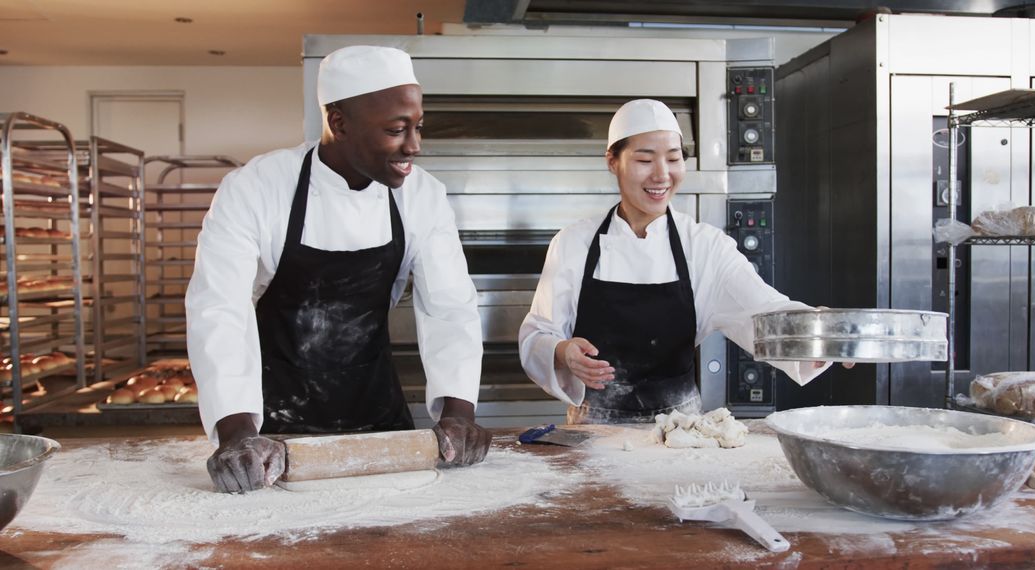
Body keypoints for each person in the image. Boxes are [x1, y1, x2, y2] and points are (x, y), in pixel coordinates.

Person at [186, 46, 491, 493]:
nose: (414, 146)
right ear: (338, 122)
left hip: (381, 422)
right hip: (271, 434)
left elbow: (449, 307)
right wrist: (237, 434)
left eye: (417, 126)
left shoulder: (422, 196)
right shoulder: (257, 188)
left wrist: (459, 413)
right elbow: (219, 308)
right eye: (395, 129)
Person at [519, 99, 850, 424]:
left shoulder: (705, 246)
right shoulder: (574, 243)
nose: (662, 175)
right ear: (612, 161)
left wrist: (821, 332)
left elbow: (763, 314)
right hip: (593, 430)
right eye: (645, 160)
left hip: (681, 432)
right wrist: (563, 352)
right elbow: (537, 333)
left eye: (674, 159)